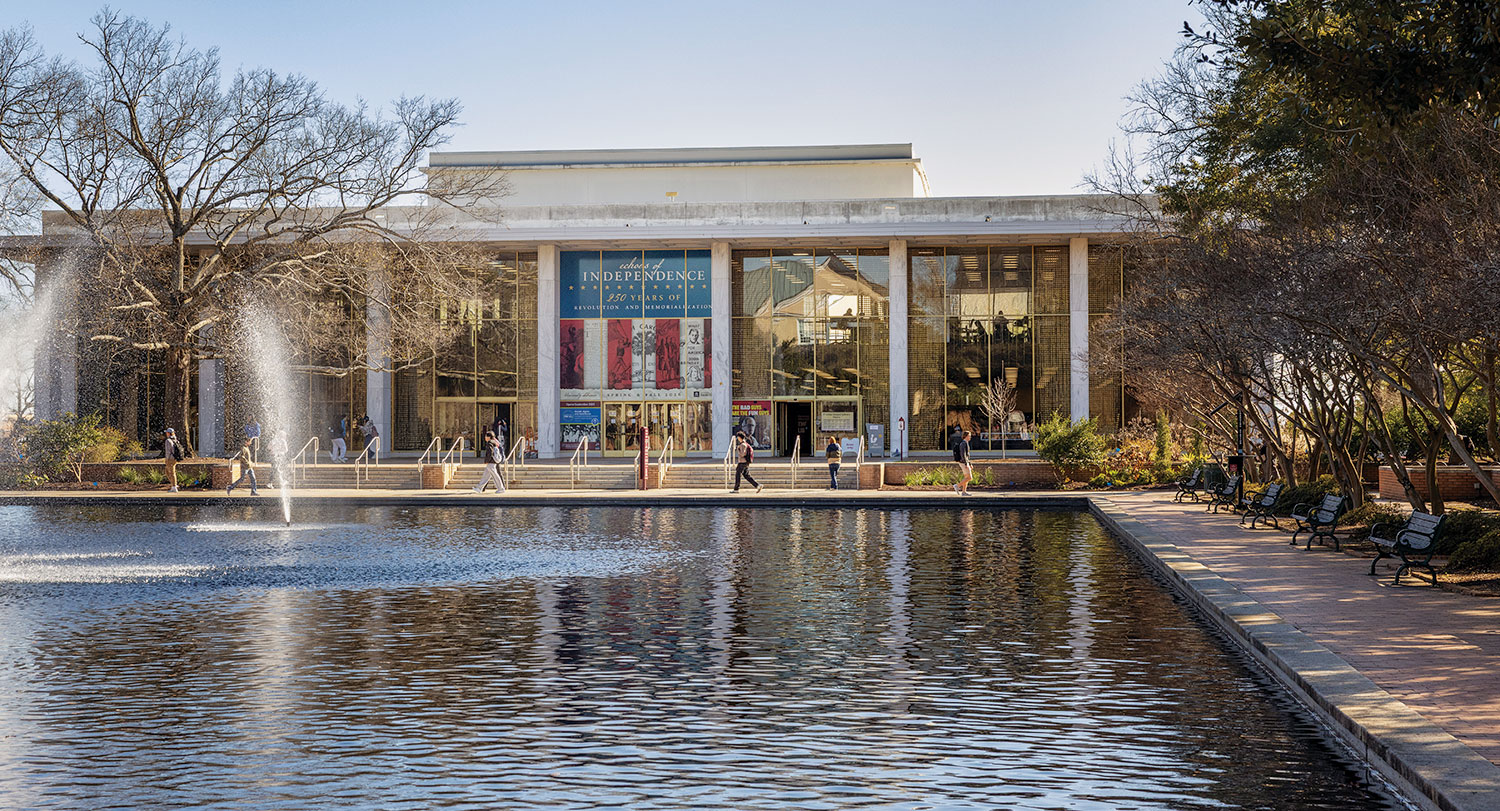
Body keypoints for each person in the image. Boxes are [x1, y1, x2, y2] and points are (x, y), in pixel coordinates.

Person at [162, 427, 184, 492]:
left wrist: (167, 459)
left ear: (168, 433)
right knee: (168, 471)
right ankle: (174, 484)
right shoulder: (175, 440)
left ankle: (174, 487)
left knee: (171, 472)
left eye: (166, 432)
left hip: (170, 458)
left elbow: (168, 451)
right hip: (175, 458)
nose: (166, 434)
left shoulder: (168, 441)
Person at [953, 429, 973, 496]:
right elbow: (963, 454)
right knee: (969, 477)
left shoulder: (965, 443)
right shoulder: (963, 443)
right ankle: (957, 486)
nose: (970, 437)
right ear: (966, 436)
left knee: (966, 477)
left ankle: (964, 492)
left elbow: (967, 455)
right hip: (963, 462)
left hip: (964, 462)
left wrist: (969, 463)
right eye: (969, 436)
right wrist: (966, 463)